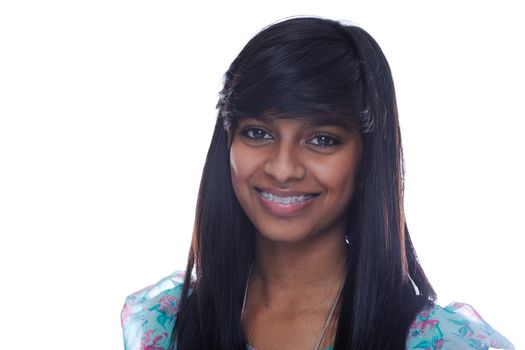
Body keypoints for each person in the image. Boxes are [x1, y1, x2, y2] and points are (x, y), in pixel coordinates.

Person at [120, 17, 514, 350]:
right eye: (258, 133)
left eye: (322, 139)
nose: (283, 168)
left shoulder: (440, 342)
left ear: (367, 158)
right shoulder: (165, 326)